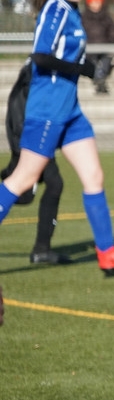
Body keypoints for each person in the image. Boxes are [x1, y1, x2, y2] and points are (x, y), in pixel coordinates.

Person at [0, 0, 114, 274]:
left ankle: (107, 253)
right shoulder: (54, 9)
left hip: (70, 111)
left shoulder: (72, 10)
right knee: (23, 179)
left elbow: (69, 57)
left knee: (94, 176)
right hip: (48, 110)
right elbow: (40, 57)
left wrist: (91, 67)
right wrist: (85, 69)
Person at [1, 61, 69, 264]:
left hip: (28, 135)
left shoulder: (39, 66)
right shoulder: (40, 68)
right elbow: (23, 106)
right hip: (29, 137)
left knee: (22, 193)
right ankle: (42, 250)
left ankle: (42, 249)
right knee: (54, 184)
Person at [80, 0, 114, 95]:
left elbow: (113, 31)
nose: (96, 4)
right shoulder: (83, 18)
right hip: (89, 50)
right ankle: (99, 80)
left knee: (105, 62)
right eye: (93, 1)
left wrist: (111, 42)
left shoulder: (106, 17)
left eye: (98, 1)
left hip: (104, 49)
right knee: (92, 63)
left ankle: (100, 80)